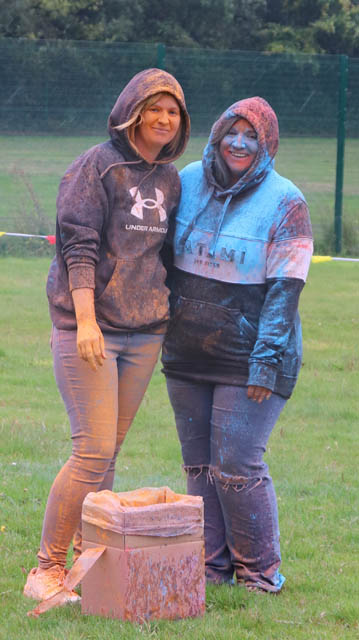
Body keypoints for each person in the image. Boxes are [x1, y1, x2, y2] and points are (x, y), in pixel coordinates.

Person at [23, 68, 190, 602]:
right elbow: (79, 245)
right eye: (155, 108)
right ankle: (45, 571)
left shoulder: (170, 178)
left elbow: (161, 254)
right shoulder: (96, 166)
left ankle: (85, 563)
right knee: (92, 451)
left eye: (174, 111)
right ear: (133, 111)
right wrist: (87, 319)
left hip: (145, 333)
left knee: (108, 453)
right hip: (89, 330)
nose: (164, 119)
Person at [162, 96, 313, 592]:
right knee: (200, 466)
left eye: (253, 135)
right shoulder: (184, 181)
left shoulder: (286, 201)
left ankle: (260, 572)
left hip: (251, 360)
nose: (239, 142)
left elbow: (285, 292)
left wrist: (265, 365)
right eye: (232, 131)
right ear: (216, 133)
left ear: (267, 144)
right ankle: (212, 567)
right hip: (185, 355)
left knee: (236, 465)